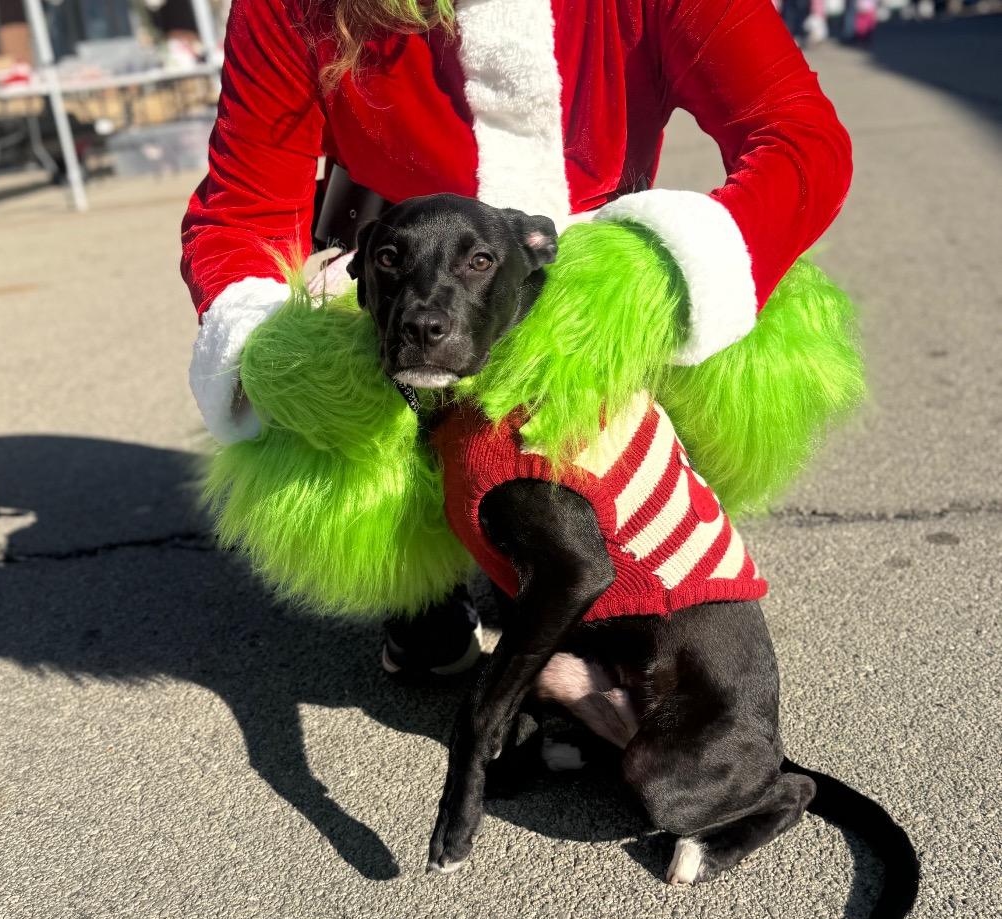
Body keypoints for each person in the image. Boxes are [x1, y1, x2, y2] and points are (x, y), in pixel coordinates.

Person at [181, 0, 853, 676]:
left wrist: (649, 277)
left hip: (584, 273)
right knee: (294, 365)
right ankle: (420, 580)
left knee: (764, 317)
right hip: (389, 284)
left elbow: (799, 137)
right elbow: (245, 210)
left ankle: (622, 548)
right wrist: (279, 350)